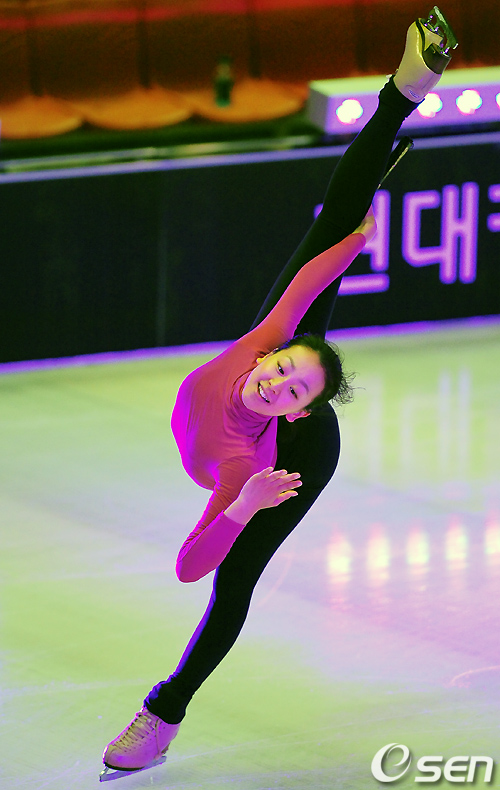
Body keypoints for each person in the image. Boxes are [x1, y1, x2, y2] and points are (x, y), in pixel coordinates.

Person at [101, 7, 457, 776]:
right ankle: (405, 89)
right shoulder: (267, 342)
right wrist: (357, 237)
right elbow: (318, 259)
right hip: (284, 387)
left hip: (292, 466)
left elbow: (189, 569)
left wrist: (245, 502)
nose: (269, 378)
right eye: (280, 366)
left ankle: (163, 712)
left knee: (235, 580)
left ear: (295, 405)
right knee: (330, 226)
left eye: (287, 384)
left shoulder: (248, 462)